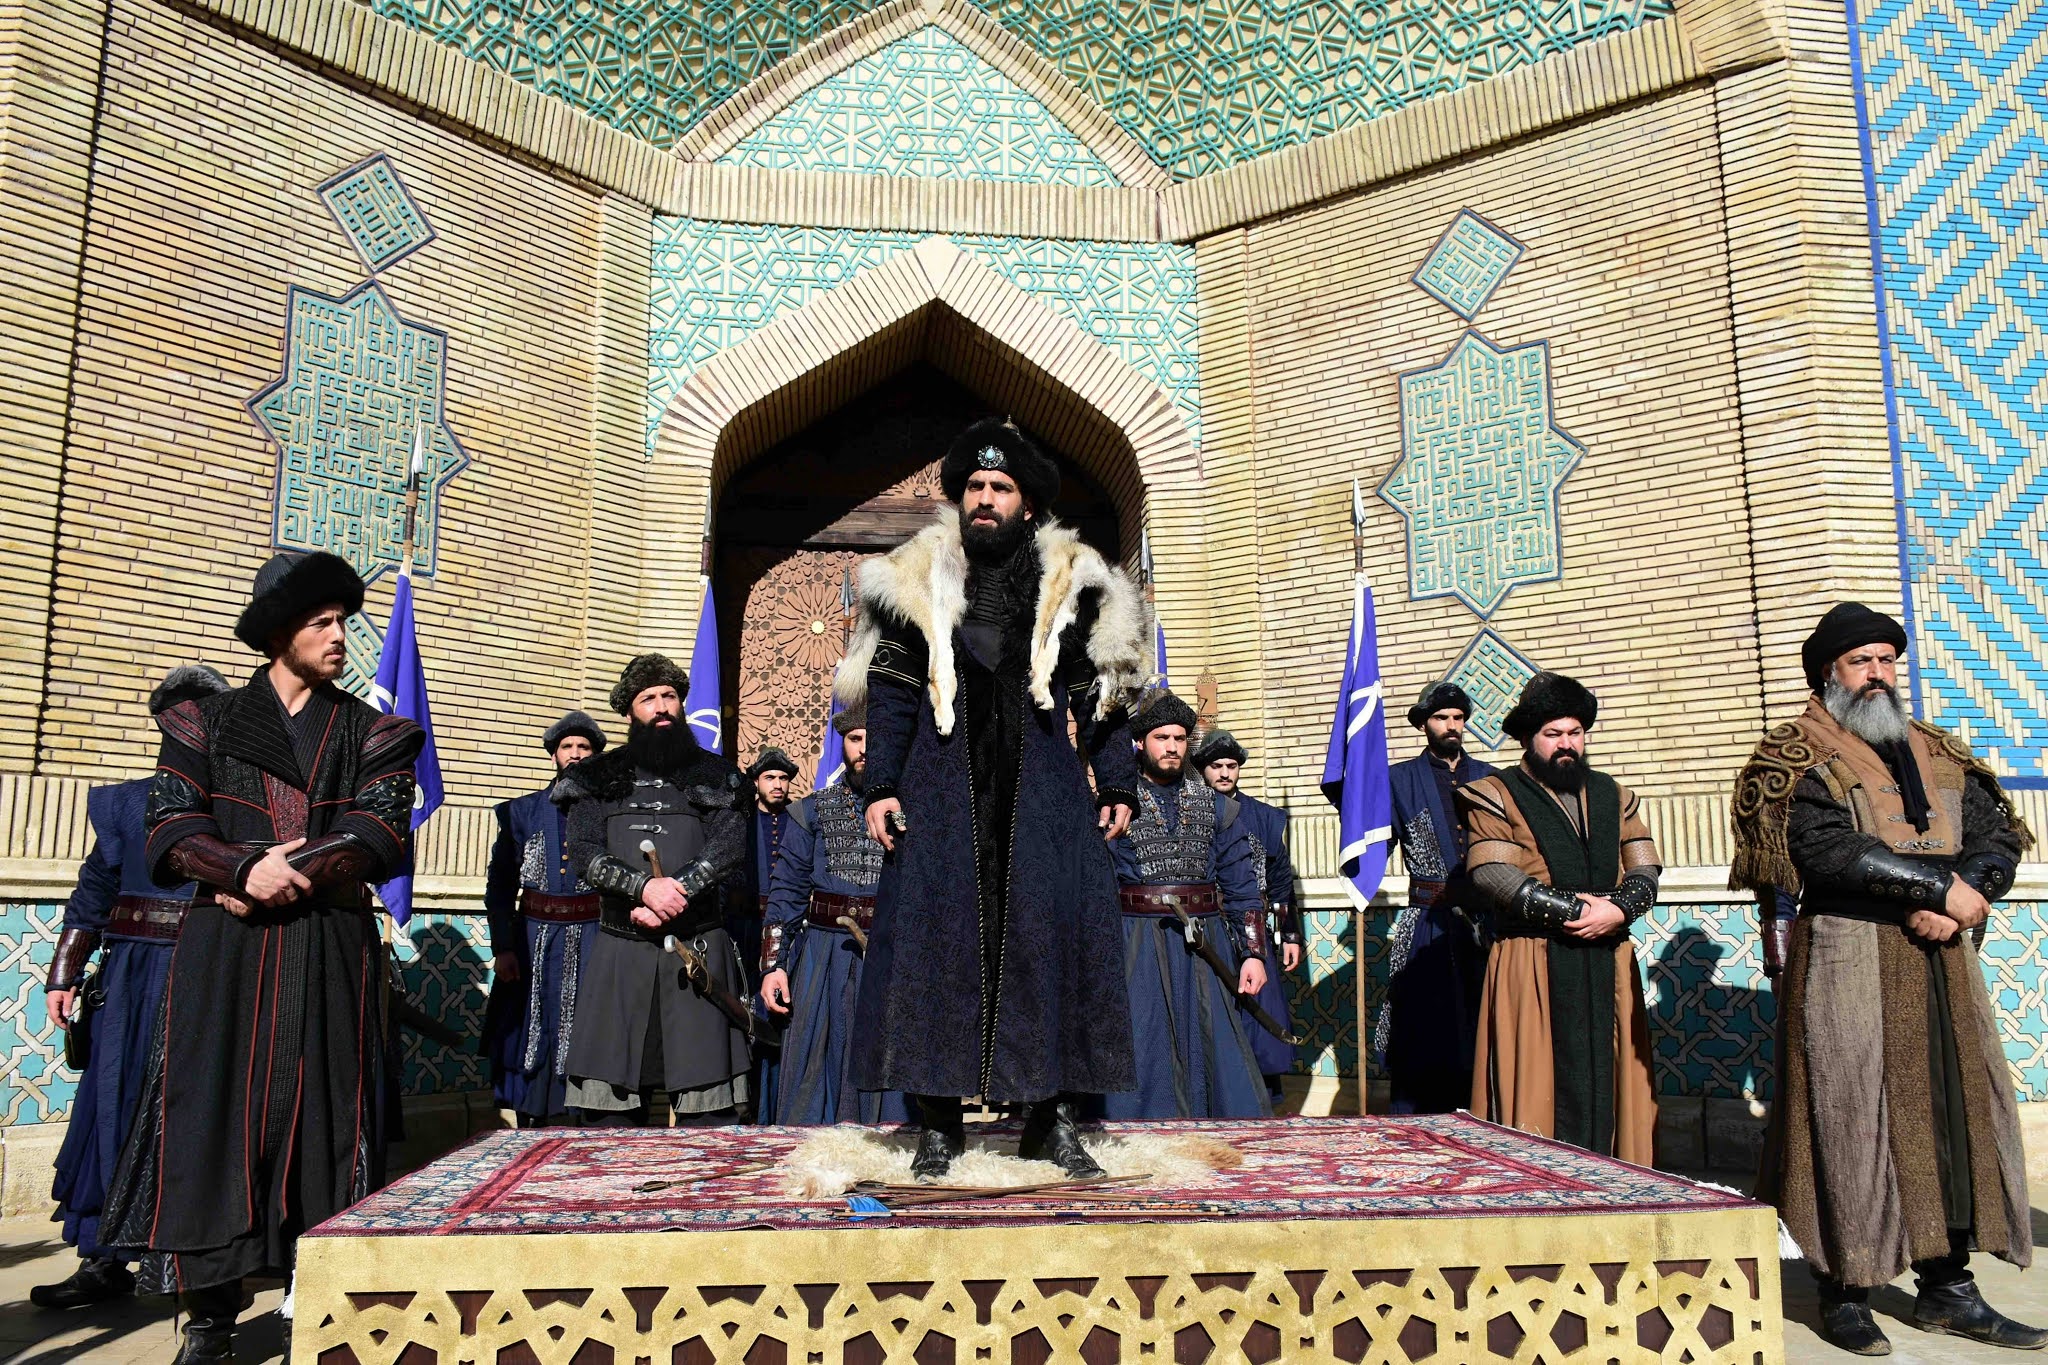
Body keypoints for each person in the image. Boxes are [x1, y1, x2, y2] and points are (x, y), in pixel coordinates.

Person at [100, 550, 423, 1364]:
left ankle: (311, 1299)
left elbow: (379, 832)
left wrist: (279, 873)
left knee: (328, 1118)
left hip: (329, 951)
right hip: (225, 955)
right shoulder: (201, 724)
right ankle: (208, 1319)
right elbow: (170, 826)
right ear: (279, 633)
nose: (340, 635)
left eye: (343, 621)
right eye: (321, 622)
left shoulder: (376, 731)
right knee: (210, 1116)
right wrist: (239, 868)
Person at [1732, 602, 2045, 1355]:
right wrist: (1936, 890)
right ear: (1827, 674)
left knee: (1953, 1111)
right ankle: (1844, 1291)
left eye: (1886, 659)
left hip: (1943, 959)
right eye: (1860, 661)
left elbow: (1997, 832)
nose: (1877, 674)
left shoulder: (1938, 748)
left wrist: (1968, 891)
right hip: (1848, 953)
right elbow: (1819, 848)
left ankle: (1948, 1289)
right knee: (1849, 1112)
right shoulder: (1788, 755)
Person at [842, 416, 1148, 1179]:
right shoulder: (916, 579)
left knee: (1054, 947)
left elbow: (1102, 690)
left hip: (1043, 798)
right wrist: (881, 784)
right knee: (934, 952)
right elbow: (893, 692)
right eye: (975, 486)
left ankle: (1051, 1121)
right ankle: (938, 1125)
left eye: (1000, 487)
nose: (985, 498)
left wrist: (1116, 779)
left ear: (1026, 502)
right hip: (941, 796)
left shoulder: (1070, 583)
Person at [31, 665, 231, 1310]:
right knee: (112, 1103)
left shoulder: (240, 805)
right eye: (175, 722)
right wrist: (65, 972)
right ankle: (104, 1258)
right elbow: (95, 886)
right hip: (129, 977)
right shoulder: (125, 803)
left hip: (212, 973)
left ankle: (192, 1261)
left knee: (194, 1112)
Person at [1456, 672, 1658, 1162]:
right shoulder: (1494, 793)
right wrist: (1575, 912)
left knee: (1612, 1082)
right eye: (1553, 733)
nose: (1567, 743)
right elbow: (1492, 873)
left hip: (1609, 957)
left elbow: (1645, 866)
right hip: (1533, 959)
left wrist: (1619, 908)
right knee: (1538, 1086)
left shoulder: (1616, 795)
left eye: (1575, 732)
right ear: (1529, 737)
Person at [553, 654, 751, 1126]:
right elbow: (584, 851)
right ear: (629, 711)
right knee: (608, 1118)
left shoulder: (719, 775)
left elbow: (729, 847)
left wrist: (674, 892)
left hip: (697, 950)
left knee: (709, 1115)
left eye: (670, 696)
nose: (661, 707)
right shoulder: (594, 776)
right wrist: (643, 889)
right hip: (620, 954)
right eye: (648, 698)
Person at [1106, 693, 1270, 1120]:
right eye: (1161, 738)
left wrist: (1253, 953)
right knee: (1143, 1042)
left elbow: (1242, 884)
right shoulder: (1116, 805)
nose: (1172, 747)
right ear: (1141, 742)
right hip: (1136, 942)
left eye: (1179, 738)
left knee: (1215, 1047)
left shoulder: (1217, 806)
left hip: (1204, 942)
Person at [757, 703, 907, 1125]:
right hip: (823, 956)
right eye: (855, 739)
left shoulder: (912, 814)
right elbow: (785, 895)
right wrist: (773, 967)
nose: (864, 749)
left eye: (874, 740)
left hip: (890, 955)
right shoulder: (811, 810)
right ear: (843, 744)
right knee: (814, 1069)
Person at [482, 710, 607, 1126]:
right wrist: (503, 947)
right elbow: (500, 887)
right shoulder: (520, 813)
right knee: (530, 1030)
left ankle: (583, 1123)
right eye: (567, 747)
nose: (575, 754)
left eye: (584, 747)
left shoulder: (611, 814)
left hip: (593, 939)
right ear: (554, 755)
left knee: (588, 1028)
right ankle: (533, 1123)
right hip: (531, 941)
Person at [1381, 680, 1496, 1114]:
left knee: (1482, 1022)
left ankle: (1482, 1115)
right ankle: (1420, 1120)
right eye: (1441, 717)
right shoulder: (1399, 780)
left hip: (1485, 923)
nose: (1451, 725)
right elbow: (1374, 842)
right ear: (1423, 724)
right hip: (1425, 919)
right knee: (1424, 1025)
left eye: (1458, 717)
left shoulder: (1491, 777)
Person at [1193, 727, 1302, 1108]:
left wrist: (1290, 935)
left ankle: (1261, 1103)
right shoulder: (1193, 812)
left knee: (1259, 1022)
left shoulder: (1265, 818)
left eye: (1231, 765)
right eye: (1216, 766)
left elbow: (1281, 881)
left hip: (1252, 933)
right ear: (1202, 769)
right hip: (1205, 932)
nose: (1224, 773)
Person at [739, 746, 799, 1121]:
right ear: (757, 782)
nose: (778, 784)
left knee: (781, 1019)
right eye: (770, 777)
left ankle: (778, 1108)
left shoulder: (799, 820)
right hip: (747, 933)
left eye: (783, 778)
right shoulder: (741, 821)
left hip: (788, 936)